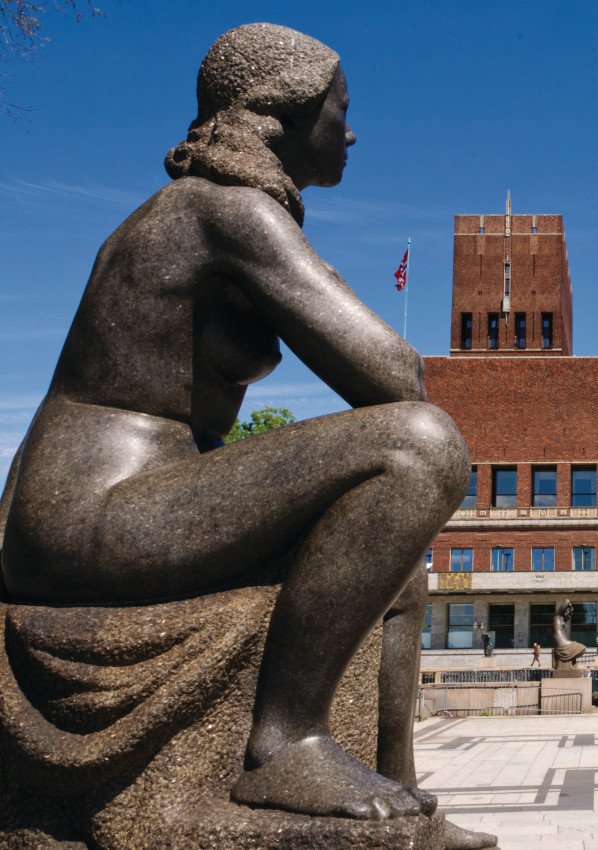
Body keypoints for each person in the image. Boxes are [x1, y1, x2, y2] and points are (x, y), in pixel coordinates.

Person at [0, 23, 462, 821]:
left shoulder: (230, 213)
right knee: (419, 450)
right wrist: (313, 280)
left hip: (143, 495)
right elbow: (397, 381)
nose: (350, 132)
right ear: (280, 110)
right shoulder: (221, 211)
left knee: (395, 564)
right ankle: (284, 745)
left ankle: (404, 798)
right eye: (338, 108)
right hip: (88, 509)